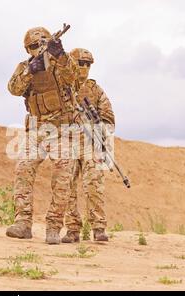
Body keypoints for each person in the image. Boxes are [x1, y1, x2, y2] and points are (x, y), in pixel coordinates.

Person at [6, 27, 78, 244]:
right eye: (34, 46)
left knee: (62, 177)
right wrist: (30, 70)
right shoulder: (26, 67)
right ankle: (23, 222)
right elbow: (13, 89)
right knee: (23, 170)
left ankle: (54, 225)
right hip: (37, 129)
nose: (39, 49)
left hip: (63, 129)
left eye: (43, 44)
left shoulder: (61, 62)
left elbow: (73, 78)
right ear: (28, 49)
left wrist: (61, 56)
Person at [62, 48, 115, 243]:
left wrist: (95, 124)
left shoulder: (95, 90)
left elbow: (110, 120)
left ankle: (98, 227)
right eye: (80, 63)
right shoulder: (63, 87)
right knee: (67, 187)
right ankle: (72, 228)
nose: (84, 67)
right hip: (68, 143)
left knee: (94, 185)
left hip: (91, 144)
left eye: (88, 64)